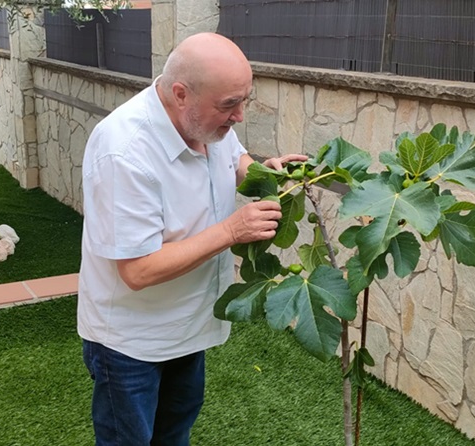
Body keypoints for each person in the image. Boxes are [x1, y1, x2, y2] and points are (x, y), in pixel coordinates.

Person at [77, 32, 307, 446]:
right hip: (132, 343)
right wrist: (231, 231)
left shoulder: (206, 122)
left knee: (174, 436)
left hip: (188, 327)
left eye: (244, 100)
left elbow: (235, 158)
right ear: (180, 93)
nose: (239, 116)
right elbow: (137, 269)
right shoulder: (124, 151)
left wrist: (265, 174)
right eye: (229, 105)